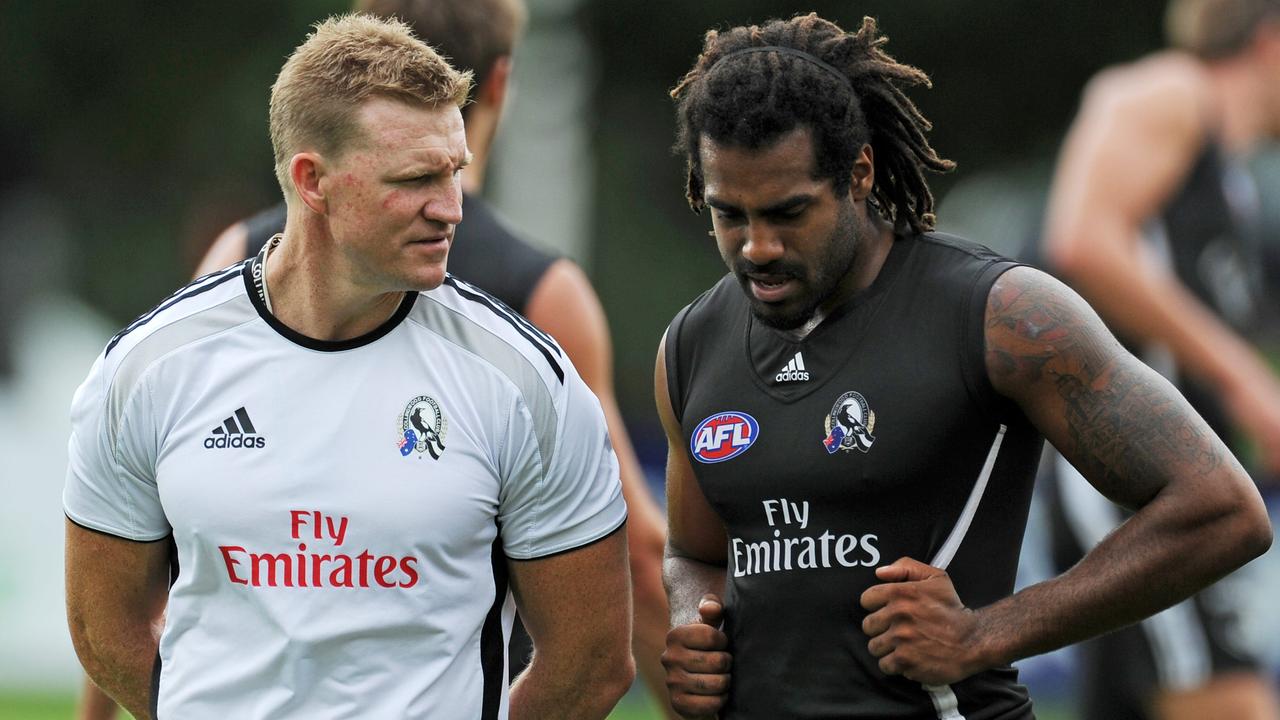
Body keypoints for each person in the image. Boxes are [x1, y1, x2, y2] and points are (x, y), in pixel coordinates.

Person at [656, 12, 1273, 720]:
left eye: (788, 212)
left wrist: (986, 631)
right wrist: (688, 620)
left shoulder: (998, 315)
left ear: (859, 173)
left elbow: (1221, 510)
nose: (756, 247)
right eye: (728, 215)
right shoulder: (692, 343)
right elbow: (692, 554)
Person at [63, 14, 634, 720]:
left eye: (455, 172)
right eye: (417, 178)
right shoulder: (149, 368)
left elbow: (594, 661)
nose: (453, 208)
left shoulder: (524, 379)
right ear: (313, 181)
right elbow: (102, 626)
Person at [1036, 0, 1280, 718]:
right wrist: (1247, 379)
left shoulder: (1231, 179)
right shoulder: (1170, 91)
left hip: (1167, 486)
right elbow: (1080, 238)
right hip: (1133, 484)